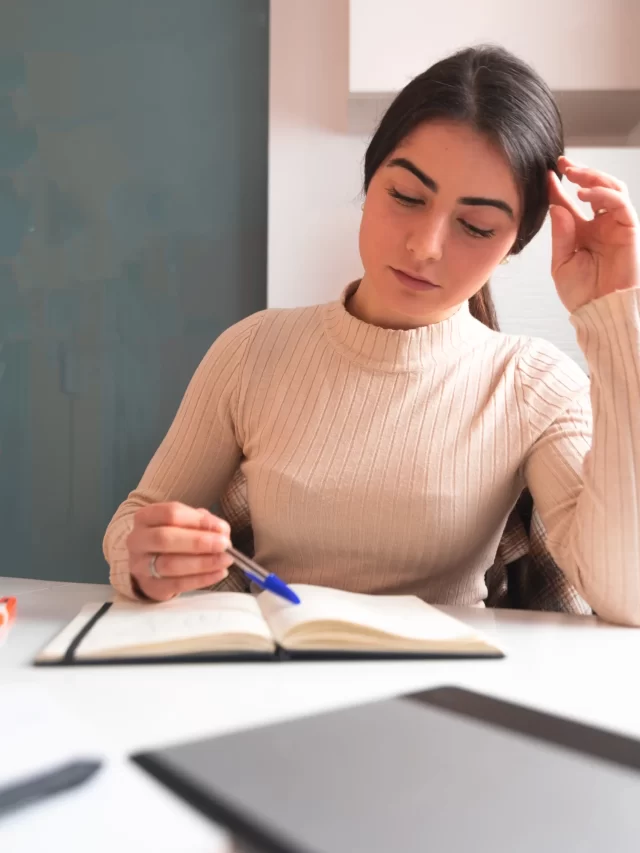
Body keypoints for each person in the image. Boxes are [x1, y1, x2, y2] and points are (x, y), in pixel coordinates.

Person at [104, 46, 640, 625]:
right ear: (370, 178)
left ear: (514, 244)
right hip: (270, 680)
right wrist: (144, 561)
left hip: (452, 694)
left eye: (476, 226)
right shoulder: (252, 351)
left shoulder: (532, 384)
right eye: (406, 197)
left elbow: (626, 593)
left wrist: (614, 317)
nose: (425, 246)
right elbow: (139, 518)